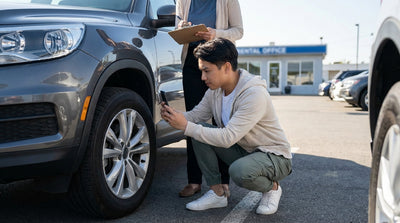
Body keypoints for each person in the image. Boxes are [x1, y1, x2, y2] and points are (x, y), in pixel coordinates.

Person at [161, 38, 292, 214]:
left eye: (207, 71)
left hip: (274, 156)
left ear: (227, 67)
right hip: (245, 151)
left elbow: (228, 137)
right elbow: (194, 116)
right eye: (201, 71)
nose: (202, 77)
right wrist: (174, 116)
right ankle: (217, 194)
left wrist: (186, 126)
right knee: (199, 130)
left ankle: (272, 188)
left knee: (239, 171)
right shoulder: (215, 91)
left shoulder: (254, 93)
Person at [175, 0, 244, 197]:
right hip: (192, 62)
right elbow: (177, 27)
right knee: (193, 119)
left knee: (220, 119)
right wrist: (181, 27)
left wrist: (215, 34)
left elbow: (238, 31)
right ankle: (194, 181)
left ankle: (223, 181)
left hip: (220, 62)